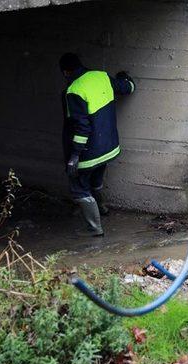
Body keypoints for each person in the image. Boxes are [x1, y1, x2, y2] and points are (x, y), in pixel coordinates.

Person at [59, 53, 135, 236]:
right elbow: (127, 87)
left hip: (89, 152)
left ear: (65, 72)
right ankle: (102, 208)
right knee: (95, 180)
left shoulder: (74, 91)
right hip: (108, 148)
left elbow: (81, 126)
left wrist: (75, 156)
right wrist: (126, 79)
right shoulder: (102, 76)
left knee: (79, 188)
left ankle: (94, 229)